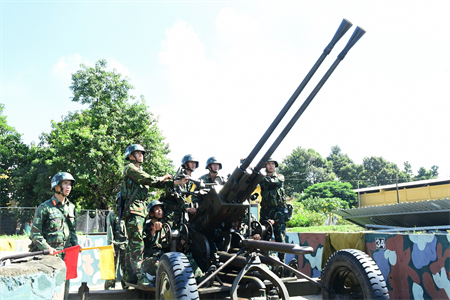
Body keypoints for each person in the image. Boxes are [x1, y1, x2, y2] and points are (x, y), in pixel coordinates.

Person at [121, 144, 188, 287]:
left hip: (138, 211)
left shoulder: (138, 170)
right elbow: (150, 180)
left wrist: (176, 182)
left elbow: (156, 184)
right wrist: (163, 177)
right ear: (131, 156)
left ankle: (129, 276)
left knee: (133, 244)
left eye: (142, 153)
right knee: (137, 244)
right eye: (138, 153)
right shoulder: (130, 168)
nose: (141, 155)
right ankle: (140, 277)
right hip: (133, 211)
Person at [29, 172, 78, 300]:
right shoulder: (45, 208)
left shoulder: (71, 207)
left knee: (64, 291)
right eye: (65, 183)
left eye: (70, 184)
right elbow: (35, 233)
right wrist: (47, 248)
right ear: (56, 186)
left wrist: (76, 245)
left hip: (66, 254)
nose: (68, 187)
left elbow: (72, 231)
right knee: (50, 292)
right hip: (48, 257)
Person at [142, 200, 214, 286]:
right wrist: (153, 231)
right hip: (150, 259)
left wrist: (180, 245)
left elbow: (166, 245)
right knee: (165, 266)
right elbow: (146, 243)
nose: (160, 210)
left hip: (162, 256)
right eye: (156, 209)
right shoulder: (146, 225)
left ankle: (201, 278)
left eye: (160, 208)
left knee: (187, 258)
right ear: (151, 213)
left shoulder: (164, 226)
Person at [259, 158, 287, 262]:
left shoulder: (280, 177)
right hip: (266, 211)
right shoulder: (261, 177)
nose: (271, 166)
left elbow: (273, 183)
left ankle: (281, 263)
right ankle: (265, 261)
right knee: (265, 236)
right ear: (265, 166)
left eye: (273, 164)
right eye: (268, 164)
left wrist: (261, 177)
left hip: (278, 211)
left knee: (280, 237)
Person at [159, 154, 198, 227]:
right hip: (170, 211)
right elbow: (179, 194)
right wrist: (187, 208)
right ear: (185, 164)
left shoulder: (191, 181)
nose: (194, 164)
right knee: (167, 233)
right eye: (191, 162)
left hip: (180, 211)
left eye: (195, 163)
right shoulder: (180, 177)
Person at [104, 194, 128, 290]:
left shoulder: (127, 213)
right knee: (112, 269)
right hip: (115, 245)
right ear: (117, 201)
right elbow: (109, 230)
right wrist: (110, 246)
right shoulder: (112, 214)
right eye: (120, 200)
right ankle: (109, 289)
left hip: (126, 245)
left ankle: (126, 287)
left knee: (126, 269)